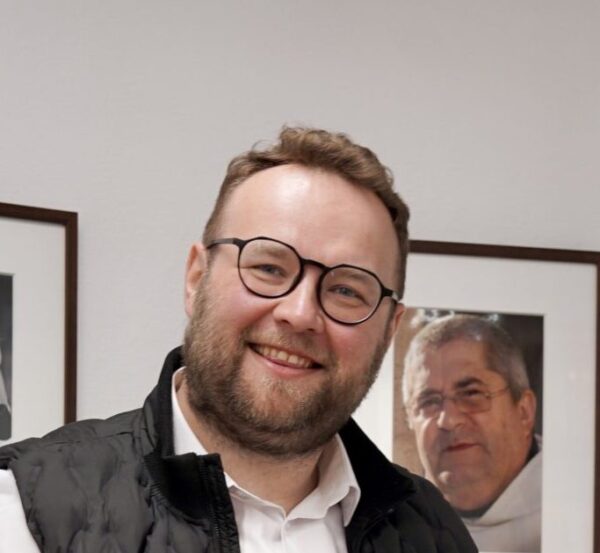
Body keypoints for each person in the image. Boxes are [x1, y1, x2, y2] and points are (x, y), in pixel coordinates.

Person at [0, 127, 476, 553]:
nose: (300, 314)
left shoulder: (433, 531)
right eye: (268, 268)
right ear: (196, 279)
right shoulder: (23, 509)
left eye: (347, 290)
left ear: (389, 329)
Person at [402, 314, 540, 552]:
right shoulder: (394, 521)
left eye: (471, 394)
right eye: (429, 402)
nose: (448, 420)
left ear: (524, 412)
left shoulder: (576, 506)